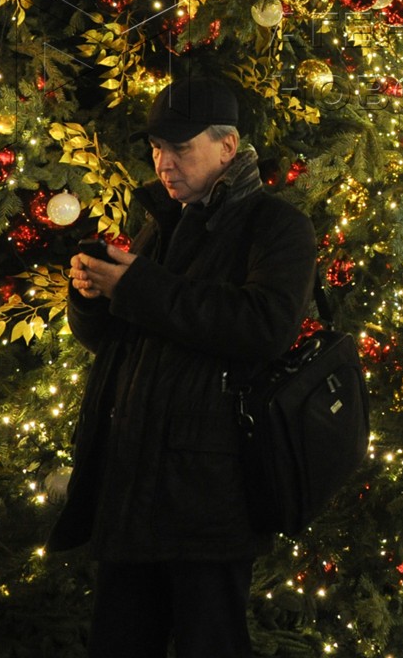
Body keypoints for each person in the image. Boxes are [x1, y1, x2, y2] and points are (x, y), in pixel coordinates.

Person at [50, 77, 316, 657]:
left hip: (208, 495)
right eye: (156, 149)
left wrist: (137, 285)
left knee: (210, 641)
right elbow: (122, 344)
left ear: (227, 147)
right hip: (131, 481)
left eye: (180, 148)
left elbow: (264, 326)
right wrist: (94, 297)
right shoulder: (165, 221)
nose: (164, 164)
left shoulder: (275, 226)